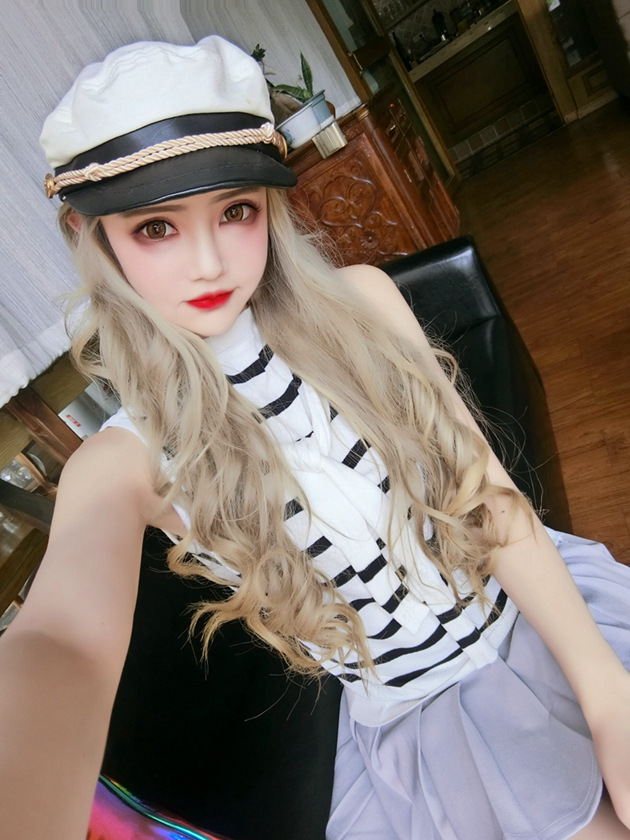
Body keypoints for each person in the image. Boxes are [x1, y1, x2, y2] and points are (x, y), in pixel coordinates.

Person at [0, 34, 629, 840]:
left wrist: (606, 696)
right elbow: (62, 642)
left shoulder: (363, 302)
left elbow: (489, 498)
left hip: (548, 609)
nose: (208, 262)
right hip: (427, 733)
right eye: (156, 227)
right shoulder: (125, 459)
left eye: (236, 211)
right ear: (91, 235)